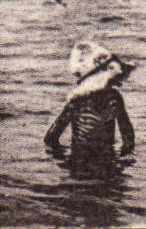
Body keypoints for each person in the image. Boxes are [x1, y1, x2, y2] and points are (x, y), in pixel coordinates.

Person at [44, 41, 135, 173]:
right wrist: (121, 163)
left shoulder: (78, 102)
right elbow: (128, 138)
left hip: (81, 163)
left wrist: (65, 163)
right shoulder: (113, 98)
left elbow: (51, 138)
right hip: (105, 164)